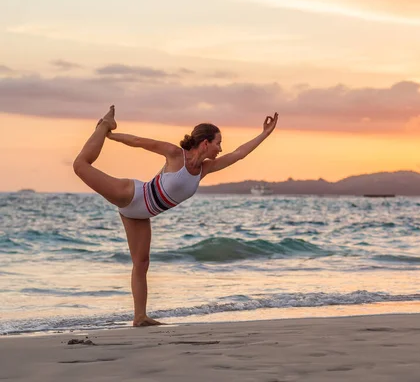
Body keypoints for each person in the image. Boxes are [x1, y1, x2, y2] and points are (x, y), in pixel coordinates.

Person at [73, 106, 279, 326]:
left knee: (141, 263)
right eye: (218, 142)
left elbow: (238, 155)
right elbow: (139, 141)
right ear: (205, 143)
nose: (220, 148)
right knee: (80, 166)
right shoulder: (174, 154)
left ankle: (140, 317)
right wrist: (111, 135)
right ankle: (105, 124)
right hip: (131, 195)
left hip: (141, 215)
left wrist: (265, 134)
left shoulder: (204, 169)